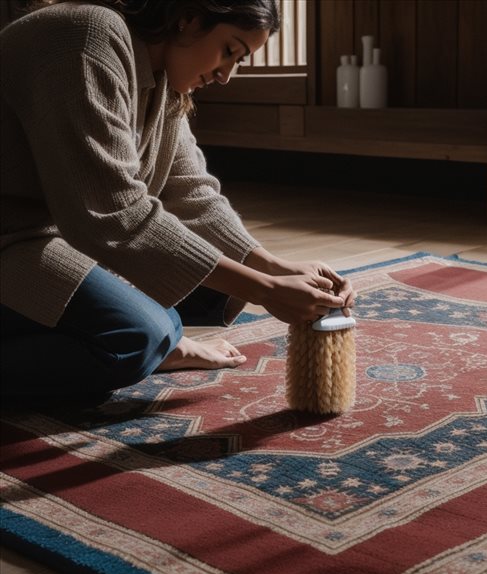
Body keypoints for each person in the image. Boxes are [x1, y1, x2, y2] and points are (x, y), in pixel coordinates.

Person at [0, 0, 355, 404]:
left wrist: (273, 266)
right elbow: (112, 215)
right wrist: (267, 289)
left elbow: (190, 191)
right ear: (189, 19)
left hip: (51, 237)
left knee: (216, 293)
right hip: (11, 239)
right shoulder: (87, 37)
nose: (226, 76)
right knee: (138, 337)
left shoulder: (162, 74)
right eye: (229, 51)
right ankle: (158, 343)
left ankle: (158, 337)